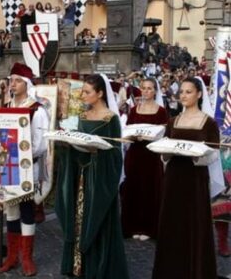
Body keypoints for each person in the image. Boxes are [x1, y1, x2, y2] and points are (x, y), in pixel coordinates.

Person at [55, 74, 129, 278]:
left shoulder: (110, 118)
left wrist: (98, 154)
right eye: (82, 91)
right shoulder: (82, 117)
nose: (83, 95)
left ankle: (98, 267)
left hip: (99, 182)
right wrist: (65, 146)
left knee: (98, 221)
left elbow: (115, 153)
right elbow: (78, 145)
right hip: (80, 176)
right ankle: (77, 266)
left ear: (100, 93)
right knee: (77, 219)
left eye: (87, 92)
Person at [152, 77, 219, 279]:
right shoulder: (173, 121)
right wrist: (165, 152)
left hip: (195, 179)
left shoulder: (209, 123)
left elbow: (214, 154)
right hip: (174, 178)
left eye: (188, 92)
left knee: (194, 222)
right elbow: (164, 152)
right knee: (172, 222)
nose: (183, 95)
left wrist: (198, 155)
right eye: (181, 92)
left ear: (199, 94)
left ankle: (196, 271)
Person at [0, 62, 49, 276]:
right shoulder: (5, 107)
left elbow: (40, 143)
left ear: (27, 84)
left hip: (26, 167)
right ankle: (12, 256)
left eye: (17, 80)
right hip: (6, 167)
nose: (13, 84)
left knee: (26, 211)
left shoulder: (36, 110)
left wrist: (19, 154)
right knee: (11, 210)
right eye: (11, 80)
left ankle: (26, 258)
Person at [121, 78, 168, 240]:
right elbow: (127, 131)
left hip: (152, 155)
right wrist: (134, 136)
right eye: (144, 88)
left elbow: (164, 134)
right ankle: (133, 226)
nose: (146, 91)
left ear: (155, 91)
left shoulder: (161, 111)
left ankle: (148, 228)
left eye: (150, 88)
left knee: (150, 189)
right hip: (135, 154)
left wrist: (151, 137)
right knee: (134, 187)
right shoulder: (134, 110)